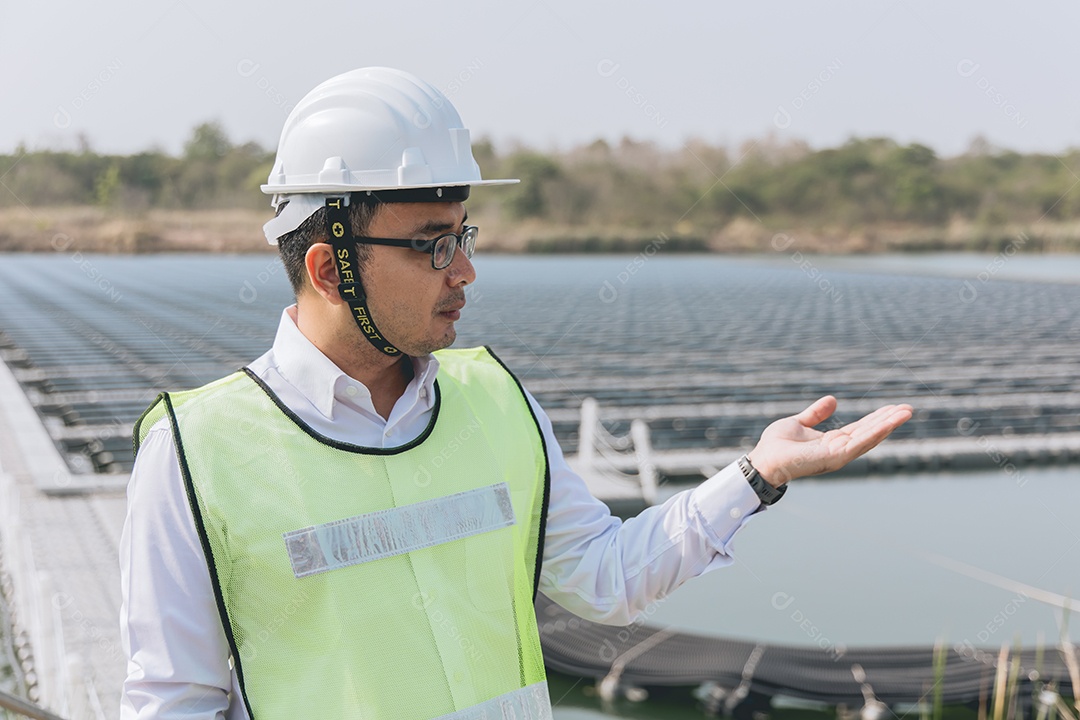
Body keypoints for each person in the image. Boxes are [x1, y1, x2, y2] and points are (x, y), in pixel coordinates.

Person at [118, 67, 912, 719]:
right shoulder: (197, 454)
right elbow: (173, 702)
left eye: (462, 235)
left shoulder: (493, 400)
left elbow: (605, 577)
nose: (465, 272)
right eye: (432, 245)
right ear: (331, 269)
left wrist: (757, 475)